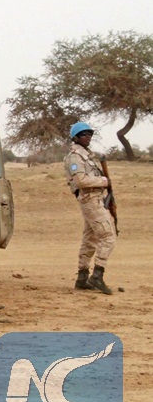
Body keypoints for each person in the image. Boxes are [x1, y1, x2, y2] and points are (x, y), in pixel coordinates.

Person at [63, 122, 116, 294]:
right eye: (84, 134)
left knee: (90, 239)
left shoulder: (86, 156)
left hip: (96, 199)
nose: (88, 137)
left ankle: (82, 277)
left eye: (90, 134)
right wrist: (104, 181)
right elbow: (81, 181)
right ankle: (97, 275)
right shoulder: (75, 157)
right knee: (108, 236)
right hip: (90, 200)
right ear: (76, 137)